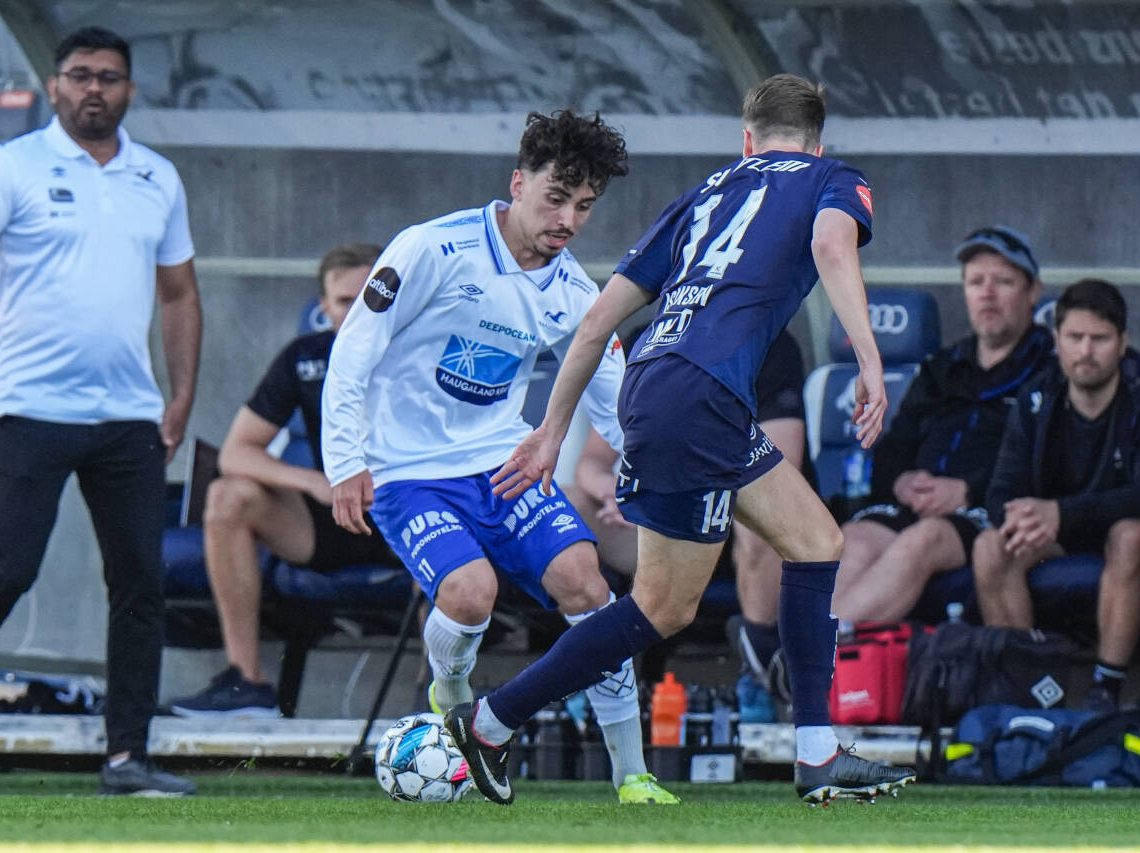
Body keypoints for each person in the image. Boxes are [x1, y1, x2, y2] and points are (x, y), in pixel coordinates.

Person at [447, 73, 917, 806]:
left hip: (667, 381)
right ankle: (491, 719)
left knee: (818, 541)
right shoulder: (833, 177)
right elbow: (832, 245)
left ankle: (818, 753)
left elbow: (599, 321)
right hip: (703, 397)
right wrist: (868, 356)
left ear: (748, 139)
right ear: (816, 141)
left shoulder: (707, 191)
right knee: (663, 607)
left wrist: (552, 431)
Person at [0, 26, 201, 797]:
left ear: (129, 90)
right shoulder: (13, 166)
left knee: (139, 582)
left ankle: (127, 757)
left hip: (128, 415)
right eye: (80, 75)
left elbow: (180, 292)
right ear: (54, 86)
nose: (95, 88)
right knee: (9, 567)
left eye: (110, 77)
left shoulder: (158, 177)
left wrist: (183, 389)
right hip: (32, 406)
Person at [322, 110, 677, 804]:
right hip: (409, 471)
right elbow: (353, 351)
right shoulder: (430, 248)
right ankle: (451, 688)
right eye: (555, 197)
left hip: (501, 461)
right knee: (470, 593)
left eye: (584, 205)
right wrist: (345, 462)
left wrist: (639, 477)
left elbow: (615, 397)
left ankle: (632, 773)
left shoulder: (578, 292)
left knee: (588, 584)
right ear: (518, 182)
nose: (568, 219)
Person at [167, 243, 400, 718]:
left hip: (414, 513)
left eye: (368, 297)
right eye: (342, 301)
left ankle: (443, 701)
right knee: (228, 495)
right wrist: (311, 482)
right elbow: (236, 453)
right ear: (323, 309)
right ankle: (247, 685)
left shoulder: (425, 351)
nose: (356, 312)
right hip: (334, 514)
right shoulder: (305, 357)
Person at [567, 330, 809, 706]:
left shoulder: (766, 339)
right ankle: (583, 662)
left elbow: (780, 473)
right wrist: (615, 491)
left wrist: (664, 497)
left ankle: (760, 670)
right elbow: (592, 465)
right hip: (650, 524)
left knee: (761, 528)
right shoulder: (646, 339)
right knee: (565, 505)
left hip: (728, 527)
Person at [830, 226, 1053, 623]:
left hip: (986, 513)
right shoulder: (942, 367)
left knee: (922, 540)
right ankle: (819, 660)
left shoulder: (1051, 370)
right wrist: (901, 481)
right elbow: (893, 445)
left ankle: (808, 662)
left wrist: (966, 490)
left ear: (1032, 292)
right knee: (852, 541)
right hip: (912, 504)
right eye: (976, 282)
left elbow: (1051, 460)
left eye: (1003, 282)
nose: (987, 293)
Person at [973, 278, 1140, 714]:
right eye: (1075, 337)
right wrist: (1020, 517)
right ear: (1058, 342)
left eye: (1100, 339)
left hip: (1117, 535)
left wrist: (1061, 514)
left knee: (1130, 536)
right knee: (992, 544)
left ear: (1122, 344)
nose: (1086, 351)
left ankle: (1106, 686)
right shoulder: (1036, 397)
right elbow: (1000, 491)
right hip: (1059, 536)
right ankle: (1027, 685)